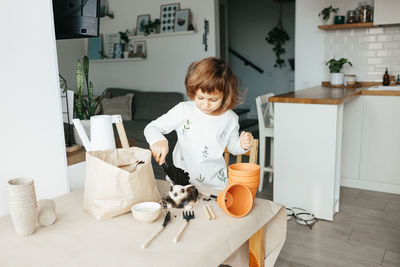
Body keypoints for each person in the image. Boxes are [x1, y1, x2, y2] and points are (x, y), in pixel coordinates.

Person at [144, 57, 254, 190]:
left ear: (226, 95)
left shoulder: (230, 118)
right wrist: (158, 140)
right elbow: (151, 127)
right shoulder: (183, 110)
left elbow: (233, 147)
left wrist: (242, 145)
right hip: (181, 183)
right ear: (193, 91)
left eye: (213, 99)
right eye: (200, 97)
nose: (206, 104)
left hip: (215, 185)